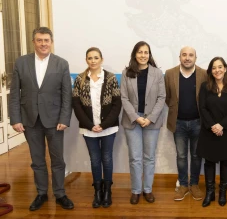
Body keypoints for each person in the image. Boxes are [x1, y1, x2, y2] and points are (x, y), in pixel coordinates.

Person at [9, 26, 74, 211]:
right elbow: (14, 93)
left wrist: (65, 118)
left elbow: (66, 95)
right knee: (37, 160)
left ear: (51, 42)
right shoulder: (21, 63)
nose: (43, 43)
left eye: (46, 40)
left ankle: (60, 194)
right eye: (40, 40)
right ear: (34, 42)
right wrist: (15, 118)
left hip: (55, 121)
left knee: (57, 160)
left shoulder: (61, 64)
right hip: (30, 120)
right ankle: (41, 193)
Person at [72, 47, 122, 208]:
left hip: (108, 128)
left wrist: (104, 124)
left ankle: (107, 191)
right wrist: (90, 125)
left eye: (96, 58)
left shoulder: (111, 78)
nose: (93, 61)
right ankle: (97, 192)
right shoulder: (79, 79)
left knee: (106, 159)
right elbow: (76, 105)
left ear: (101, 59)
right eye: (89, 58)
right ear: (86, 60)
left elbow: (117, 104)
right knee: (95, 160)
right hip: (88, 128)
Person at [120, 41, 165, 204]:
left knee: (149, 157)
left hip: (151, 120)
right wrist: (136, 117)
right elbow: (124, 98)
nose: (143, 55)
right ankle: (136, 190)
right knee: (135, 157)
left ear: (149, 55)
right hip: (133, 120)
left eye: (146, 52)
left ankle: (147, 189)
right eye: (140, 52)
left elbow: (162, 98)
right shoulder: (126, 72)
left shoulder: (157, 73)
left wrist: (150, 117)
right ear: (135, 54)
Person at [164, 46, 208, 201]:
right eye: (184, 55)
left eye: (191, 55)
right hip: (179, 123)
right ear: (179, 57)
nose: (187, 58)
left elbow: (207, 97)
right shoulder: (170, 74)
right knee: (181, 156)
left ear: (196, 58)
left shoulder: (203, 73)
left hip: (198, 122)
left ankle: (194, 184)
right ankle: (183, 185)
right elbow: (167, 97)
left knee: (196, 155)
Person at [197, 57, 227, 207]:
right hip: (209, 130)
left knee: (225, 162)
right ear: (211, 71)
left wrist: (221, 125)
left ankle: (222, 193)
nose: (217, 70)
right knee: (209, 162)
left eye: (220, 67)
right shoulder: (205, 87)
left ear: (225, 68)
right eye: (214, 68)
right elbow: (202, 108)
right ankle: (210, 193)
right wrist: (213, 126)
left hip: (226, 130)